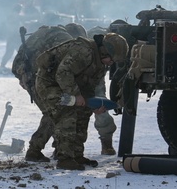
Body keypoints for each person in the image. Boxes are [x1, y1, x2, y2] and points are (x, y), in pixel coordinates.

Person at [14, 23, 117, 159]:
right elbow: (62, 72)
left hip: (35, 75)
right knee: (56, 112)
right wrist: (76, 95)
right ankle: (41, 150)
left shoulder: (54, 36)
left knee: (57, 111)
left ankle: (52, 150)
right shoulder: (67, 43)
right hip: (39, 77)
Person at [32, 32, 129, 171]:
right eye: (111, 59)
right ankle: (64, 158)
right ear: (104, 51)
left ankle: (76, 155)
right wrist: (76, 95)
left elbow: (89, 87)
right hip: (49, 85)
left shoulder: (101, 63)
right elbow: (63, 73)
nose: (111, 63)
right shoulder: (83, 52)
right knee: (67, 113)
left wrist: (91, 105)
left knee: (83, 113)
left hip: (68, 86)